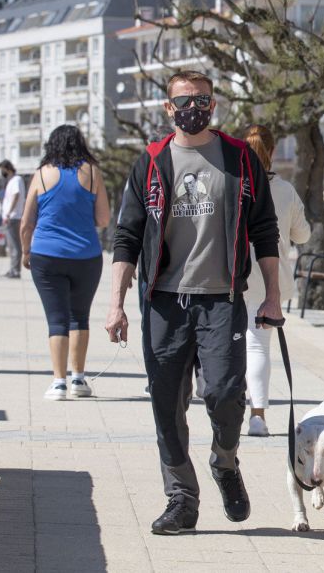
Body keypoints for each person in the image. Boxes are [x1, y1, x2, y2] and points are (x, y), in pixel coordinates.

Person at [105, 70, 282, 536]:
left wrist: (274, 296)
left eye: (202, 99)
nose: (194, 108)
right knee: (167, 402)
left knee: (226, 394)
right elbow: (126, 235)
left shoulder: (240, 159)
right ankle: (181, 498)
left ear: (214, 103)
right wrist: (116, 303)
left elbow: (264, 230)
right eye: (185, 100)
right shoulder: (151, 161)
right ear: (168, 108)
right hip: (163, 302)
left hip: (221, 299)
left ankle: (224, 461)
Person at [19, 125, 111, 400]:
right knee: (79, 317)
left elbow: (26, 222)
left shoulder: (41, 174)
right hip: (86, 255)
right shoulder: (93, 172)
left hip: (46, 256)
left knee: (57, 319)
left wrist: (25, 252)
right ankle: (78, 380)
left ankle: (58, 383)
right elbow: (104, 219)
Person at [241, 124, 311, 437]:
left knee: (228, 345)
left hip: (230, 276)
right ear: (271, 152)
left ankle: (229, 406)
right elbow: (303, 235)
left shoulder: (232, 184)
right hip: (270, 280)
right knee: (258, 347)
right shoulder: (285, 191)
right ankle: (258, 416)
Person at [0, 160, 26, 278]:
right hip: (12, 217)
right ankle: (13, 269)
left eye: (2, 170)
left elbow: (16, 195)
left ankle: (15, 271)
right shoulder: (12, 181)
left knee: (14, 245)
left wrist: (9, 214)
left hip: (13, 217)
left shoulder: (16, 180)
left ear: (7, 168)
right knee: (12, 245)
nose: (1, 172)